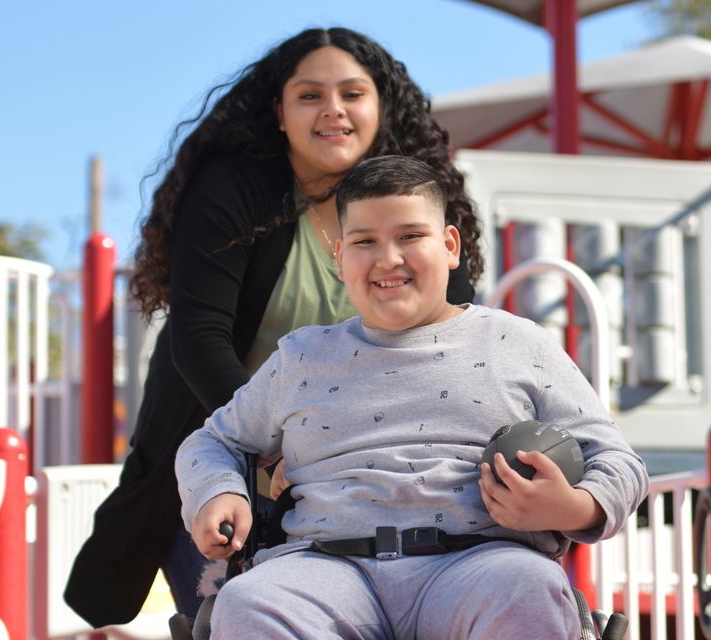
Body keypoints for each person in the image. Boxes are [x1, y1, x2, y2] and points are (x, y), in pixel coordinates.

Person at [64, 28, 484, 627]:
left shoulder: (407, 197)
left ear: (380, 107)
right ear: (279, 113)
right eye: (310, 95)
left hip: (368, 461)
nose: (332, 109)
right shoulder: (236, 187)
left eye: (352, 93)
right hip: (233, 444)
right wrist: (275, 447)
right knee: (238, 617)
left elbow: (451, 334)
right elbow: (199, 336)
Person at [176, 155, 649, 639]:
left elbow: (616, 458)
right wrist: (219, 491)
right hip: (324, 568)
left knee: (529, 587)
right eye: (364, 242)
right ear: (339, 259)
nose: (388, 259)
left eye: (409, 236)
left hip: (481, 563)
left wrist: (573, 508)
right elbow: (212, 442)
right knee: (248, 602)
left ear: (449, 245)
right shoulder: (301, 356)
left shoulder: (518, 342)